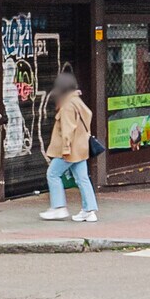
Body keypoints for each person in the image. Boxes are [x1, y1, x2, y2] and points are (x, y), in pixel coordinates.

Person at [41, 70, 98, 223]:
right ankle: (89, 210)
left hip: (69, 150)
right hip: (81, 148)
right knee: (82, 178)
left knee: (52, 174)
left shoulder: (67, 105)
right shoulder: (77, 101)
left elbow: (68, 129)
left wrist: (66, 149)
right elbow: (88, 115)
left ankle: (58, 207)